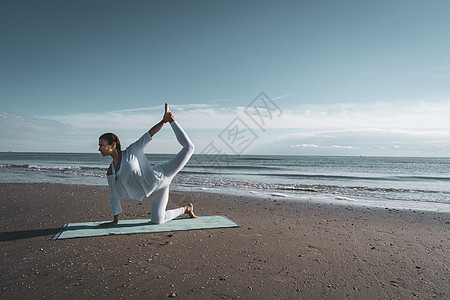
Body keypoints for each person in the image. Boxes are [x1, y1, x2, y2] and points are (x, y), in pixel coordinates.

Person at [98, 103, 197, 226]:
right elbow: (113, 195)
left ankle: (172, 120)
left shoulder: (132, 151)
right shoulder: (111, 171)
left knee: (189, 147)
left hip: (164, 173)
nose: (99, 148)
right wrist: (115, 220)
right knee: (157, 221)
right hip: (156, 190)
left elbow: (149, 134)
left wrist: (165, 121)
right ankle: (186, 209)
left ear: (113, 145)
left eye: (101, 145)